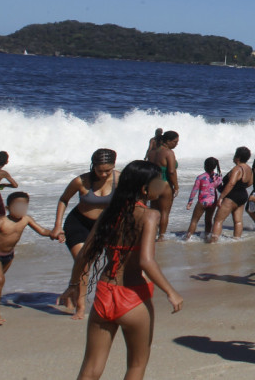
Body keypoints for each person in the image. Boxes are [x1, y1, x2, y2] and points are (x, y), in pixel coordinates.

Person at [60, 160, 184, 380]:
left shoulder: (109, 213)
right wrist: (171, 292)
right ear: (144, 188)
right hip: (133, 295)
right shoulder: (150, 215)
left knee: (90, 369)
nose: (162, 186)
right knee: (136, 366)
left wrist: (73, 284)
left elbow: (84, 254)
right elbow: (146, 261)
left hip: (104, 293)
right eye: (158, 182)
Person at [53, 148, 118, 320]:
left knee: (114, 262)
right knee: (84, 263)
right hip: (79, 224)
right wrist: (57, 226)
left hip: (105, 225)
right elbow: (63, 199)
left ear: (113, 166)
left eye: (107, 170)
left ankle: (75, 289)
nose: (103, 174)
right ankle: (80, 307)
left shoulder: (120, 179)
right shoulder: (80, 181)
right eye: (99, 170)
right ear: (93, 166)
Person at [0, 191, 53, 325]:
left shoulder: (26, 219)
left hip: (9, 256)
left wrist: (55, 234)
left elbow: (42, 231)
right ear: (8, 208)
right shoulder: (2, 221)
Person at [210, 147, 253, 242]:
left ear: (238, 157)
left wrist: (221, 197)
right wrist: (240, 187)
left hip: (232, 196)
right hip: (243, 195)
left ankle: (213, 242)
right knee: (238, 221)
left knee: (218, 220)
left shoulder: (237, 169)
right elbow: (250, 182)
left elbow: (231, 184)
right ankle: (236, 240)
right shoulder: (249, 169)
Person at [145, 130, 179, 237]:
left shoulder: (152, 152)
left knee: (154, 211)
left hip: (153, 184)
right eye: (175, 142)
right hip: (165, 184)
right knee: (164, 212)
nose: (176, 144)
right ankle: (161, 236)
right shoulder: (169, 153)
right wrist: (176, 186)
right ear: (168, 141)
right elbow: (171, 171)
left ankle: (152, 234)